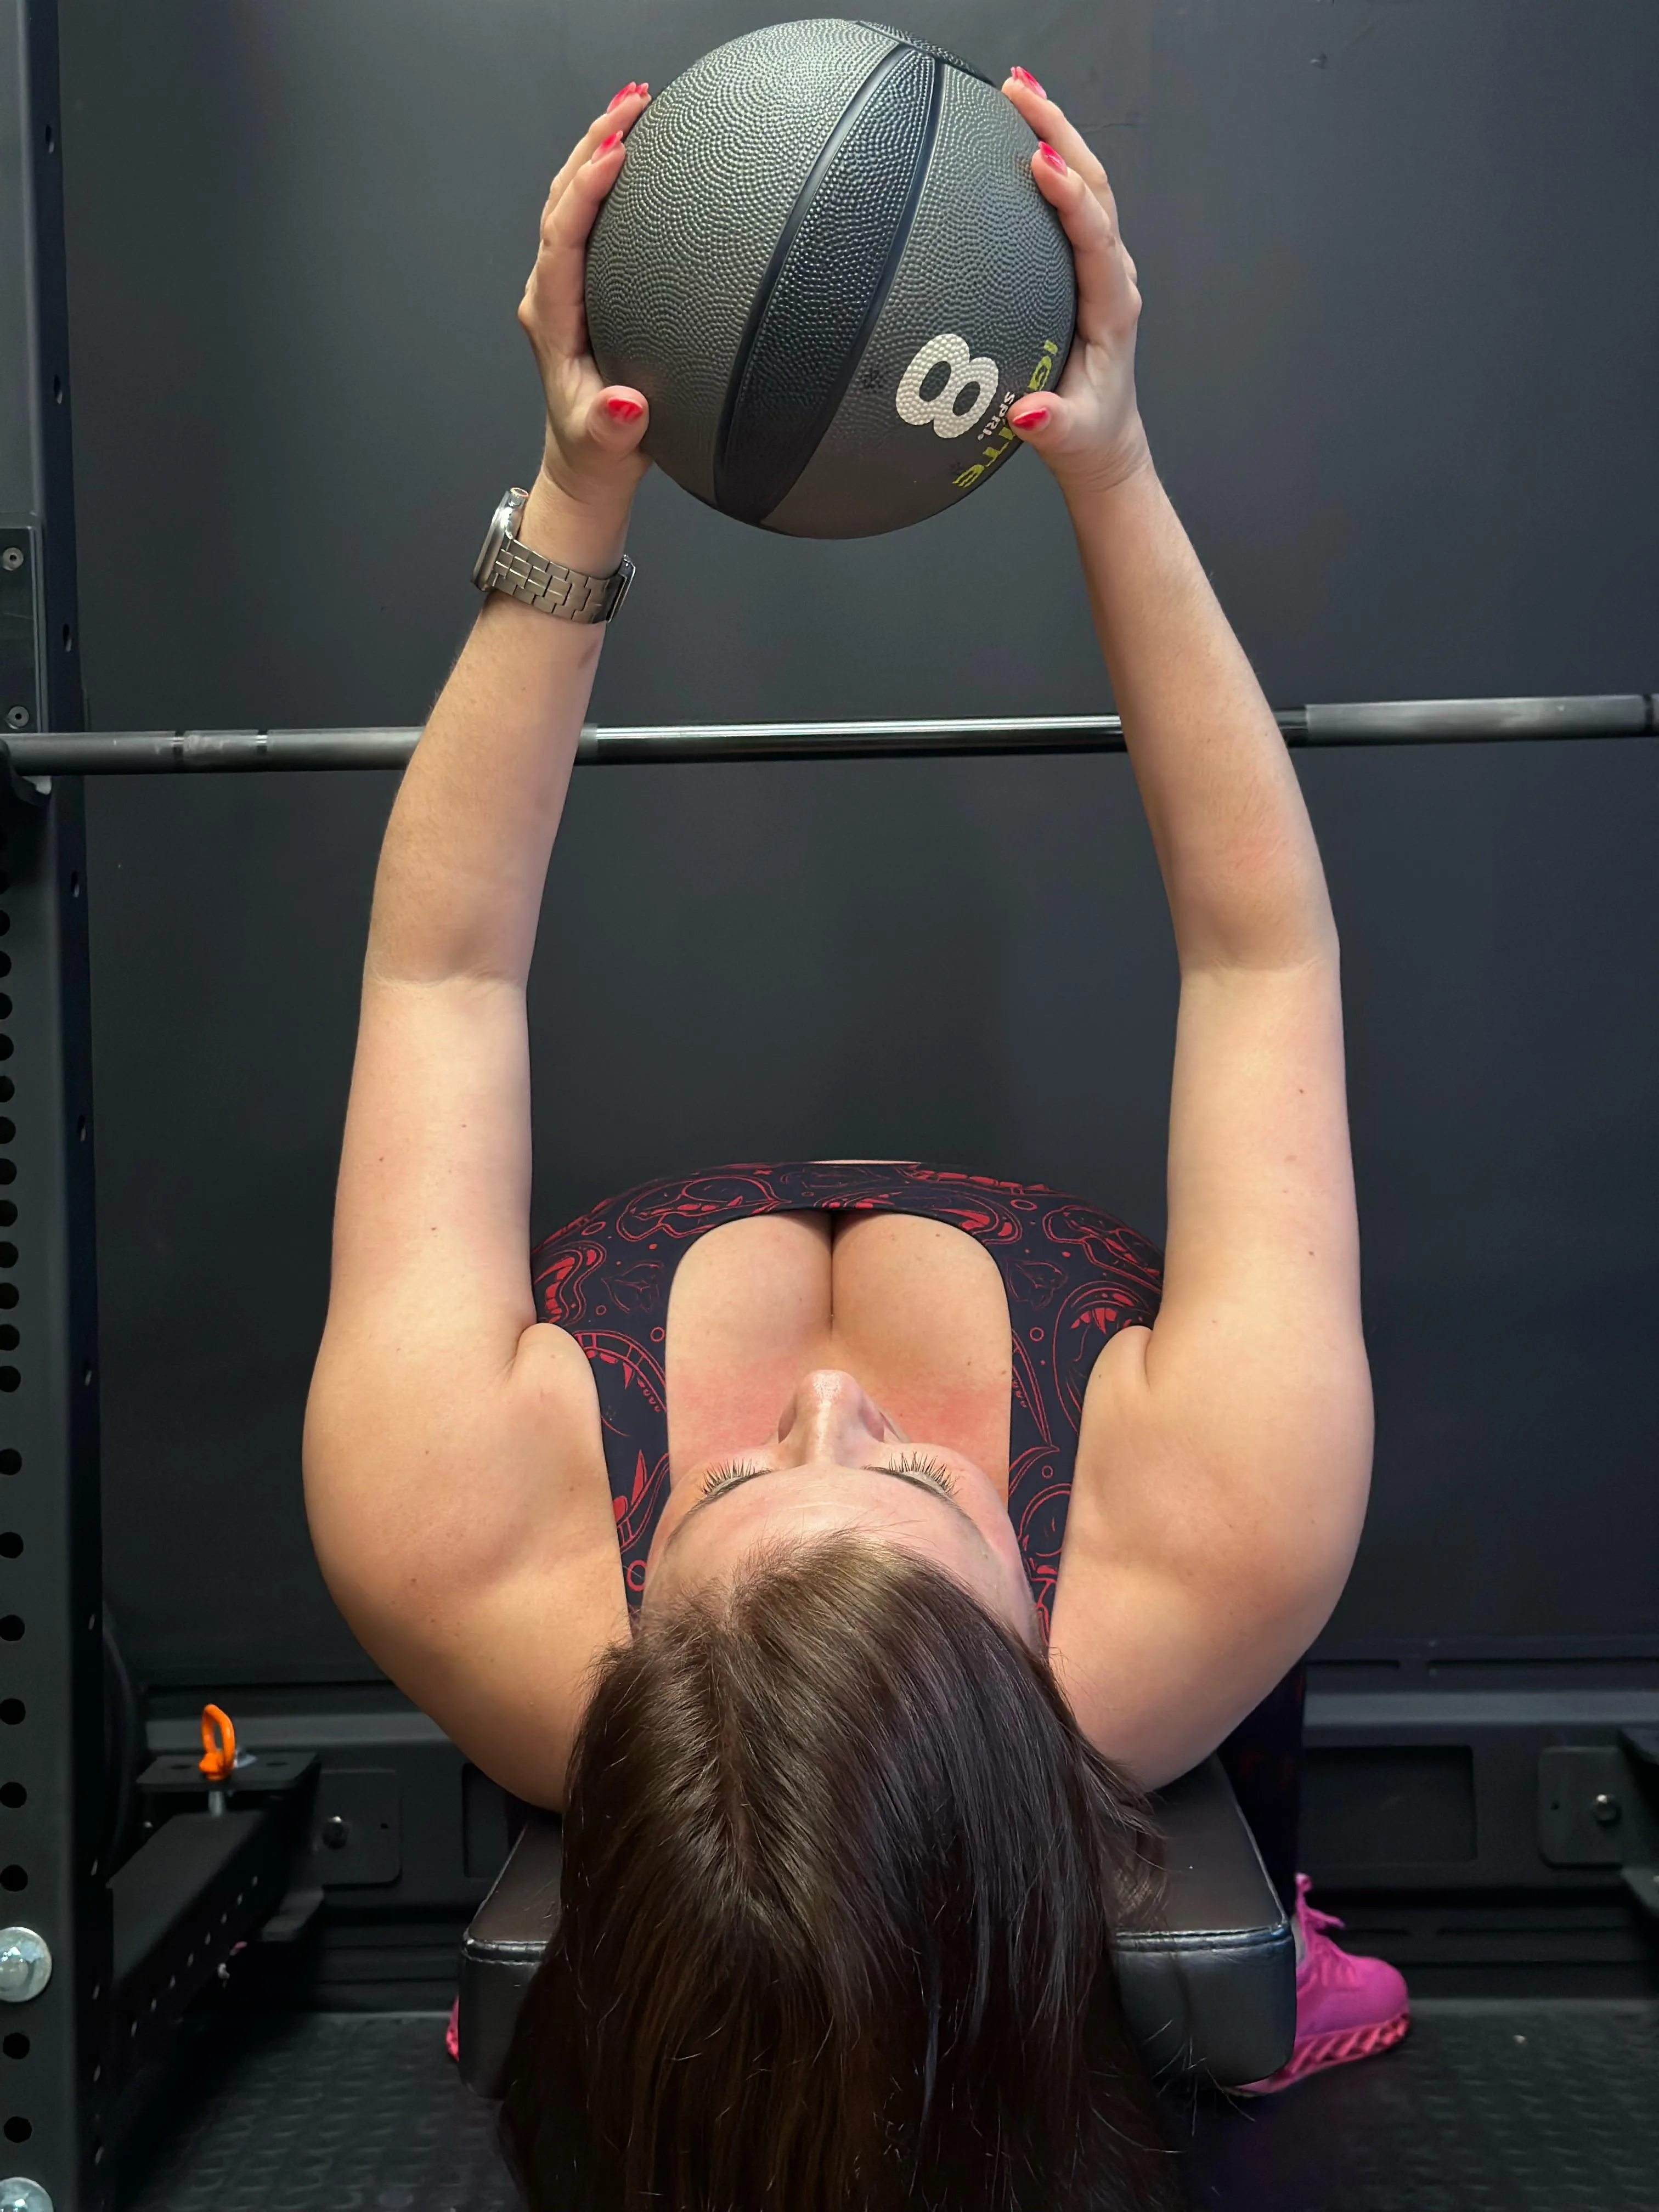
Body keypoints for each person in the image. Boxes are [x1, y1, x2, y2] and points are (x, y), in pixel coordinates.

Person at [302, 66, 1407, 2212]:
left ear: (622, 1705)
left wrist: (574, 493)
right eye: (908, 1478)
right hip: (1144, 1651)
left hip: (635, 1715)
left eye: (730, 1488)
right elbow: (1261, 955)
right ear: (1041, 1691)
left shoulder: (452, 1537)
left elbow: (444, 972)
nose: (819, 1403)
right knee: (1248, 1652)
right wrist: (1115, 470)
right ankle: (1270, 1943)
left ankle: (681, 1958)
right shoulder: (1213, 1543)